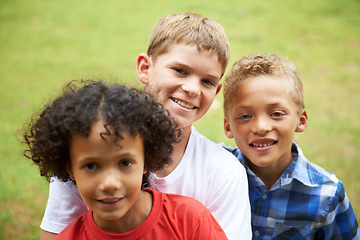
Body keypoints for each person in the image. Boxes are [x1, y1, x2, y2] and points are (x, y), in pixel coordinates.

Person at [38, 13, 252, 240]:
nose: (192, 89)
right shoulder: (88, 145)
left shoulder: (223, 171)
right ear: (144, 68)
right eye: (180, 70)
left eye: (207, 81)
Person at [23, 80, 228, 239]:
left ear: (146, 161)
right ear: (70, 170)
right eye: (91, 166)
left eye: (125, 163)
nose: (110, 183)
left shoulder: (189, 221)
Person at [222, 53, 359, 239]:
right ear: (228, 126)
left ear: (300, 121)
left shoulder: (327, 195)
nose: (261, 127)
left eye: (276, 114)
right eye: (245, 116)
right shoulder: (213, 170)